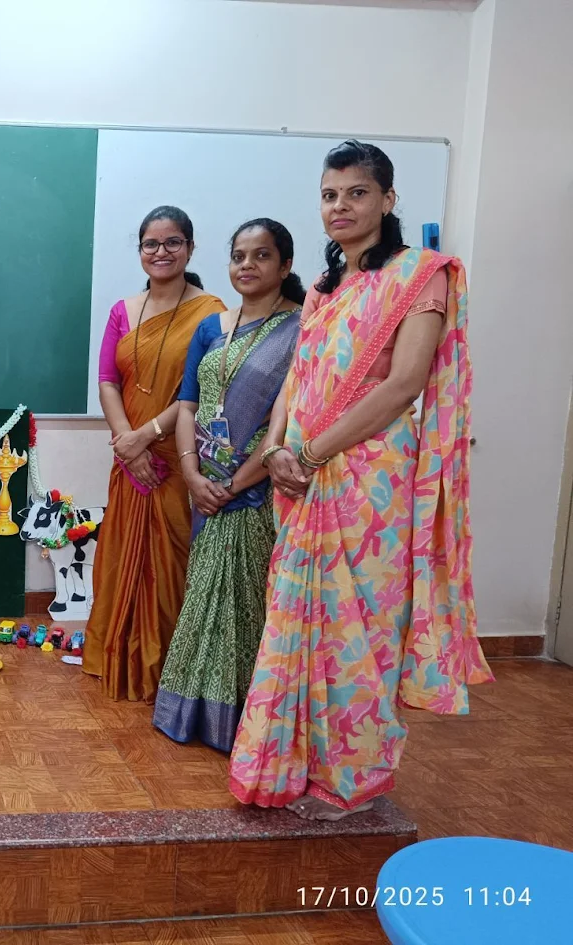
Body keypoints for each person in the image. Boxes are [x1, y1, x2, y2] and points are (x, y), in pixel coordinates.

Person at [229, 141, 492, 820]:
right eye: (329, 194)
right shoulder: (323, 289)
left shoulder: (421, 275)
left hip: (370, 485)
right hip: (303, 478)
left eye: (355, 193)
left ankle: (352, 781)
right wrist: (281, 445)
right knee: (299, 620)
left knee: (359, 630)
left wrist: (311, 451)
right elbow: (298, 377)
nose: (340, 206)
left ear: (387, 200)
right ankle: (288, 765)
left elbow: (404, 384)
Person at [153, 219, 303, 752]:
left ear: (285, 266)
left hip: (260, 494)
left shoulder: (303, 329)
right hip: (205, 488)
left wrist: (235, 483)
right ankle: (189, 712)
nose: (247, 265)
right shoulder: (212, 327)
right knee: (204, 599)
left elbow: (289, 420)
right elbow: (188, 404)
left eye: (261, 256)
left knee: (247, 606)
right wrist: (193, 475)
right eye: (239, 255)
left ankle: (243, 719)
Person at [82, 207, 226, 702]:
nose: (161, 252)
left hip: (177, 455)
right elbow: (106, 380)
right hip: (130, 459)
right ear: (139, 249)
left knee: (172, 565)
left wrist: (146, 435)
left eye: (172, 243)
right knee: (121, 559)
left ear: (189, 248)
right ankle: (114, 655)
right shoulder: (124, 309)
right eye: (151, 244)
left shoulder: (212, 312)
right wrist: (127, 442)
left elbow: (205, 390)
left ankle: (169, 666)